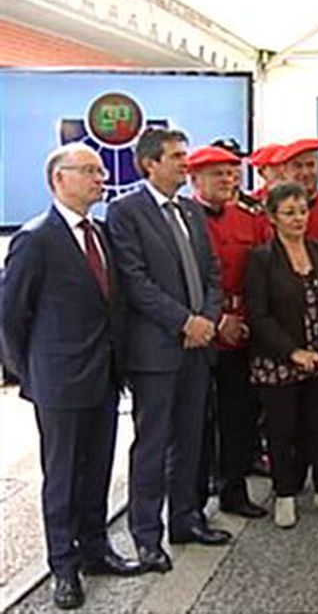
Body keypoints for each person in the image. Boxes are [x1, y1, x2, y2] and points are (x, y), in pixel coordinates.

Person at [1, 144, 140, 609]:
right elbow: (9, 315)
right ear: (60, 179)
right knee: (61, 476)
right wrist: (31, 371)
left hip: (104, 375)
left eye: (101, 171)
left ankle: (96, 548)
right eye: (90, 171)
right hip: (58, 380)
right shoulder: (36, 238)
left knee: (99, 466)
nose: (101, 179)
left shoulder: (100, 233)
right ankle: (63, 567)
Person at [107, 128, 230, 574]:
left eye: (185, 155)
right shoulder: (125, 212)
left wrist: (209, 319)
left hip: (198, 347)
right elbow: (135, 282)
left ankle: (186, 519)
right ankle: (146, 536)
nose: (185, 163)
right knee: (153, 444)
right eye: (176, 156)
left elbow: (212, 272)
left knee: (190, 438)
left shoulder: (192, 213)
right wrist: (184, 321)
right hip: (157, 350)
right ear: (149, 164)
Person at [245, 182, 318, 528]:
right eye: (289, 213)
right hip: (279, 361)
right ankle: (285, 495)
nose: (298, 219)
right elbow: (258, 315)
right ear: (272, 217)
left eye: (302, 211)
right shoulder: (261, 259)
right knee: (282, 430)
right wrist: (293, 352)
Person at [187, 145, 272, 520]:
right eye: (217, 174)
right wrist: (218, 318)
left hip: (242, 331)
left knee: (238, 416)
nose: (227, 180)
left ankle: (233, 490)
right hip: (199, 332)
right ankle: (192, 500)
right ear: (195, 180)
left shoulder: (250, 218)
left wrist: (250, 319)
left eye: (231, 173)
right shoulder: (185, 219)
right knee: (196, 421)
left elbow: (263, 271)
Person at [274, 137, 318, 241]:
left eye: (310, 165)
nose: (305, 173)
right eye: (297, 166)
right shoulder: (269, 211)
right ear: (284, 170)